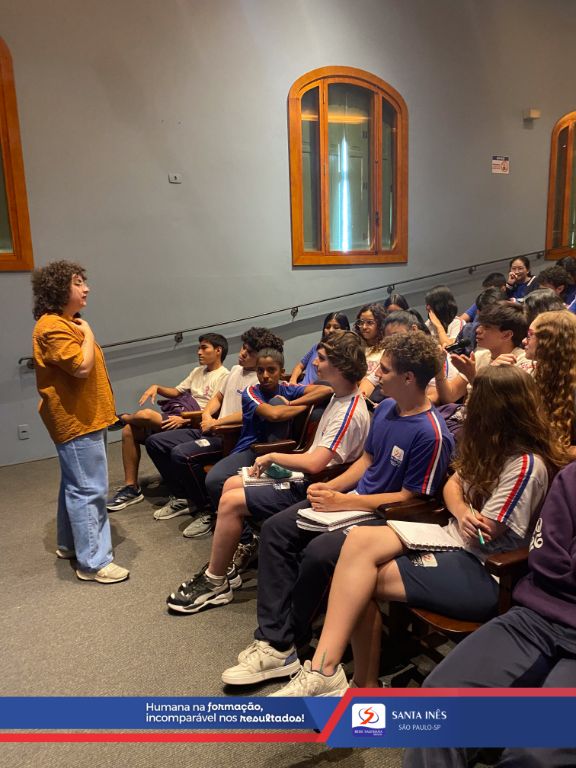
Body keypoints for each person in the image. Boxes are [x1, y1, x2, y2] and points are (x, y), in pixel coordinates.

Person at [271, 366, 567, 696]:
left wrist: (464, 515)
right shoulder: (489, 447)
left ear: (496, 410)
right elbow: (453, 487)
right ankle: (327, 671)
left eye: (475, 404)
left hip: (487, 570)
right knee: (357, 541)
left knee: (357, 582)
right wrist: (462, 511)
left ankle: (352, 681)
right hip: (455, 541)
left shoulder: (525, 465)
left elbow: (485, 533)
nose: (467, 410)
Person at [221, 332, 454, 688]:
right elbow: (367, 460)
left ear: (408, 378)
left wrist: (347, 501)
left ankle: (288, 642)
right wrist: (335, 488)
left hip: (387, 518)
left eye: (385, 370)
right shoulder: (387, 408)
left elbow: (411, 500)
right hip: (354, 502)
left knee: (319, 554)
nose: (375, 375)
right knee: (277, 529)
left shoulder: (432, 434)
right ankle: (274, 640)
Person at [166, 331, 371, 614]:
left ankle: (215, 582)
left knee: (231, 500)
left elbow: (316, 465)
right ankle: (226, 567)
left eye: (322, 359)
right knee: (231, 484)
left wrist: (274, 456)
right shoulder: (339, 396)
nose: (314, 363)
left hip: (316, 485)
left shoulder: (349, 410)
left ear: (340, 367)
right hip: (307, 474)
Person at [403, 461, 576, 768]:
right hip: (536, 614)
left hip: (485, 568)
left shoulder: (528, 465)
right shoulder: (571, 477)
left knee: (536, 754)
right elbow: (546, 559)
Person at [31, 261, 128, 584]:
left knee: (75, 483)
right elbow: (81, 368)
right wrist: (89, 334)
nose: (86, 288)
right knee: (89, 488)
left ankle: (69, 544)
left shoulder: (65, 323)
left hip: (85, 417)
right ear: (59, 289)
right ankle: (94, 562)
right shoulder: (53, 326)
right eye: (77, 282)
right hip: (77, 420)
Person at [144, 327, 283, 537]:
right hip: (210, 428)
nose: (243, 353)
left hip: (228, 436)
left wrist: (217, 423)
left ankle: (207, 509)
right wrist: (208, 416)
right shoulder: (235, 370)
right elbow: (217, 397)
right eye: (243, 348)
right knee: (155, 442)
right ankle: (183, 497)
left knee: (181, 455)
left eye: (250, 352)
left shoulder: (260, 380)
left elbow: (247, 414)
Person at [199, 347, 333, 536]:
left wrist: (292, 403)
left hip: (278, 452)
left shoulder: (287, 389)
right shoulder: (250, 392)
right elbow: (274, 414)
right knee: (214, 480)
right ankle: (245, 535)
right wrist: (301, 404)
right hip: (251, 450)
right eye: (260, 370)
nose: (265, 376)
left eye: (271, 370)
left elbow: (327, 389)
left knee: (279, 402)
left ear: (281, 372)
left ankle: (246, 531)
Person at [106, 333, 229, 511]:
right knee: (129, 431)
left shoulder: (224, 376)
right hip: (179, 415)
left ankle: (123, 417)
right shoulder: (197, 371)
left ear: (218, 351)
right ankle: (131, 487)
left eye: (204, 348)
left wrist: (185, 418)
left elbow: (214, 409)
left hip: (192, 421)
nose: (199, 352)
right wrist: (157, 387)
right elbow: (177, 391)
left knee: (146, 415)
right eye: (199, 348)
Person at [434, 301, 530, 404]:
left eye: (487, 327)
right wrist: (439, 371)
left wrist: (474, 377)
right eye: (480, 325)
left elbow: (503, 408)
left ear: (507, 335)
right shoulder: (479, 356)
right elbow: (449, 396)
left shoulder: (523, 363)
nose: (478, 330)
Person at [524, 310, 576, 454]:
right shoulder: (541, 376)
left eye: (530, 335)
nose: (524, 341)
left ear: (549, 341)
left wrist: (551, 451)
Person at [289, 312, 350, 385]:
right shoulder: (317, 347)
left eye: (336, 327)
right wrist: (292, 381)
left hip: (317, 390)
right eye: (327, 327)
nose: (331, 330)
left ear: (345, 330)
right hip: (299, 387)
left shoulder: (345, 354)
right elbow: (299, 366)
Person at [354, 303, 387, 376]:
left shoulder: (387, 349)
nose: (364, 327)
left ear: (380, 324)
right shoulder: (355, 348)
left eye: (369, 322)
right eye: (361, 322)